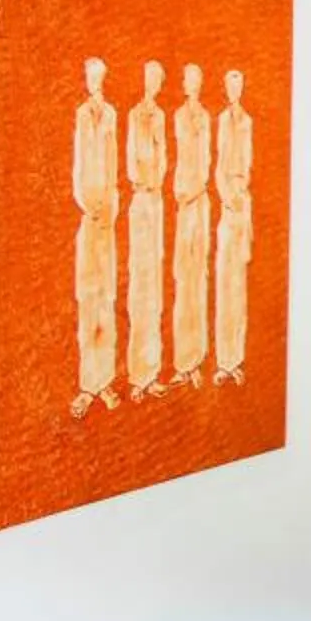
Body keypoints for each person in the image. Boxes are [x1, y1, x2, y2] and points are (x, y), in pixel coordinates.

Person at [69, 58, 119, 417]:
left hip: (108, 219)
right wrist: (89, 205)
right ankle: (88, 386)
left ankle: (106, 382)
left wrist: (111, 207)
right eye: (89, 77)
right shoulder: (82, 115)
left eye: (98, 77)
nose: (93, 82)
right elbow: (77, 167)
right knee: (89, 298)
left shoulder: (112, 115)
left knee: (107, 297)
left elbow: (114, 164)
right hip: (90, 215)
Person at [122, 62, 168, 398]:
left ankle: (151, 372)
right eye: (148, 77)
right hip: (140, 199)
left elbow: (163, 156)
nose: (152, 83)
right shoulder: (133, 114)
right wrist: (143, 182)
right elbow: (129, 160)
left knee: (154, 284)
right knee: (139, 282)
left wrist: (157, 182)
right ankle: (136, 375)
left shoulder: (162, 116)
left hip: (156, 200)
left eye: (157, 79)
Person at [171, 64, 212, 387]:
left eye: (193, 80)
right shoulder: (178, 116)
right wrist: (180, 192)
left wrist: (195, 191)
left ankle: (196, 359)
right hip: (183, 202)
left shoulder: (206, 118)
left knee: (198, 277)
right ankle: (182, 361)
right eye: (187, 80)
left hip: (198, 202)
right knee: (183, 278)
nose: (189, 84)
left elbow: (207, 161)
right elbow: (177, 157)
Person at [214, 68, 254, 385]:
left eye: (238, 86)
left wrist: (241, 196)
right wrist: (228, 197)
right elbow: (218, 165)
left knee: (238, 284)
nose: (233, 91)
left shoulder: (246, 122)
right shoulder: (222, 121)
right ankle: (222, 358)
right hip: (228, 204)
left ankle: (235, 358)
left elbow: (248, 165)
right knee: (225, 280)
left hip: (242, 204)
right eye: (230, 86)